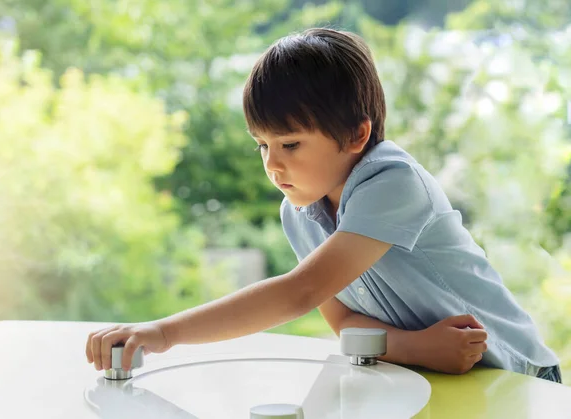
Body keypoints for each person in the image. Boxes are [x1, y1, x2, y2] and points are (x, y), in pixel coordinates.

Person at [85, 27, 562, 384]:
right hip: (436, 373)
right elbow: (345, 325)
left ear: (357, 135)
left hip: (516, 375)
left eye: (290, 145)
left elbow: (300, 293)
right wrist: (418, 347)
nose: (273, 165)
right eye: (262, 146)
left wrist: (165, 334)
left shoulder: (393, 182)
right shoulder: (298, 214)